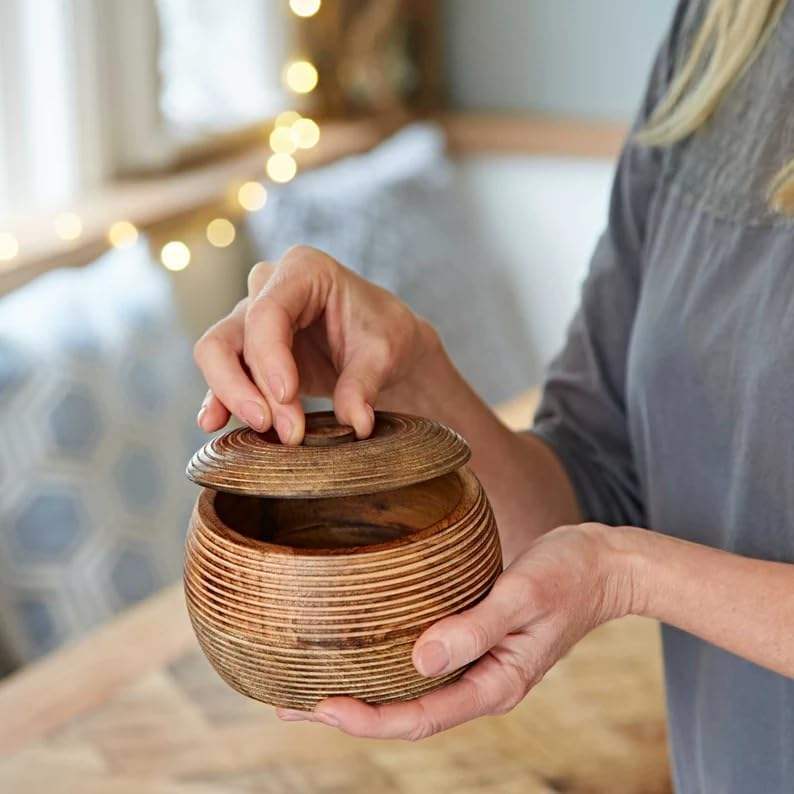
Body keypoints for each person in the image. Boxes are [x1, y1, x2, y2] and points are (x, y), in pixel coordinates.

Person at [192, 0, 794, 790]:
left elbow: (609, 550)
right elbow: (590, 487)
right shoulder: (723, 34)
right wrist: (411, 376)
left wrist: (629, 573)